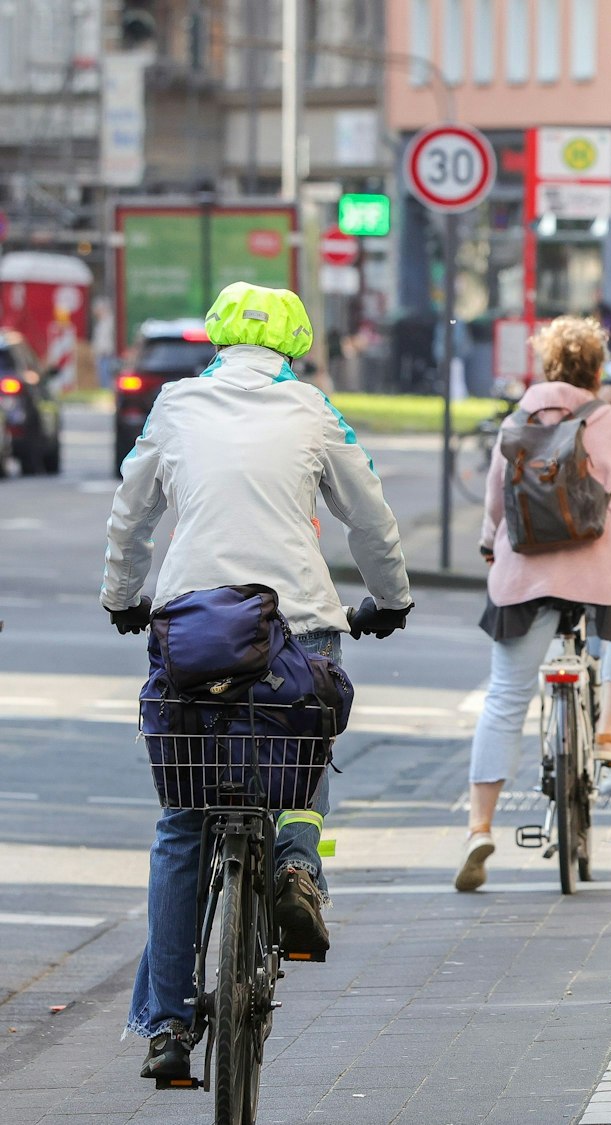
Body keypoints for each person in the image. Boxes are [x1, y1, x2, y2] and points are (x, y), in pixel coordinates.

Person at [102, 282, 414, 1081]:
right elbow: (368, 510)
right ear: (294, 342)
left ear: (215, 338)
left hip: (192, 628)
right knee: (307, 748)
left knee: (182, 820)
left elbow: (130, 511)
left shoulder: (175, 405)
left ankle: (168, 1025)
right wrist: (390, 597)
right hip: (295, 623)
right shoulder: (313, 409)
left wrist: (122, 596)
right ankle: (297, 859)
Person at [458, 316, 611, 893]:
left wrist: (491, 548)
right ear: (594, 369)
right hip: (601, 575)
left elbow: (496, 507)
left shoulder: (516, 422)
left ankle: (479, 825)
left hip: (524, 575)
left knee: (505, 697)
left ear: (547, 366)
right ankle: (609, 731)